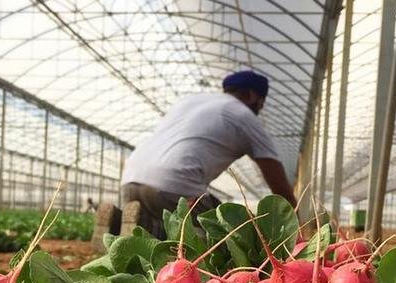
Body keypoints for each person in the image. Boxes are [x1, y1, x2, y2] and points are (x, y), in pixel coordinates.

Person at [120, 70, 297, 238]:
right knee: (230, 236)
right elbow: (279, 185)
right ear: (250, 95)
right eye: (261, 104)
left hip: (130, 181)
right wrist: (295, 222)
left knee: (161, 234)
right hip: (175, 188)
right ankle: (181, 237)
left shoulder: (191, 102)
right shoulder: (244, 115)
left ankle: (134, 226)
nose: (259, 110)